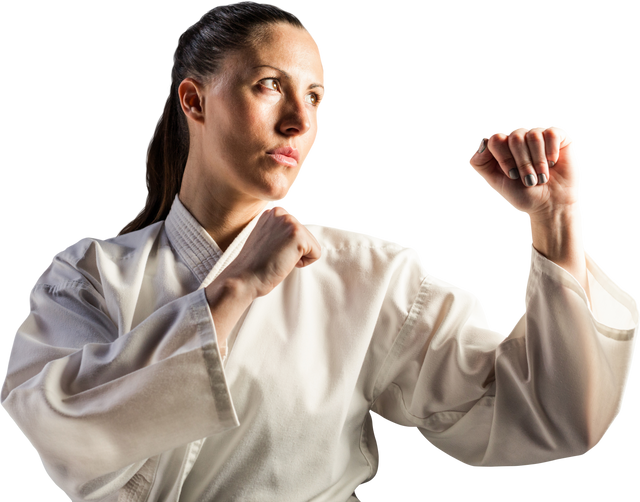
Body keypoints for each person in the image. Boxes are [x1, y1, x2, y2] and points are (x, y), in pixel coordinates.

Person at [1, 1, 638, 501]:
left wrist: (555, 220)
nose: (299, 123)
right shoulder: (86, 275)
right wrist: (235, 289)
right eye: (270, 86)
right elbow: (60, 431)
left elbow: (550, 415)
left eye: (314, 98)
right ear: (194, 100)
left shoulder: (369, 277)